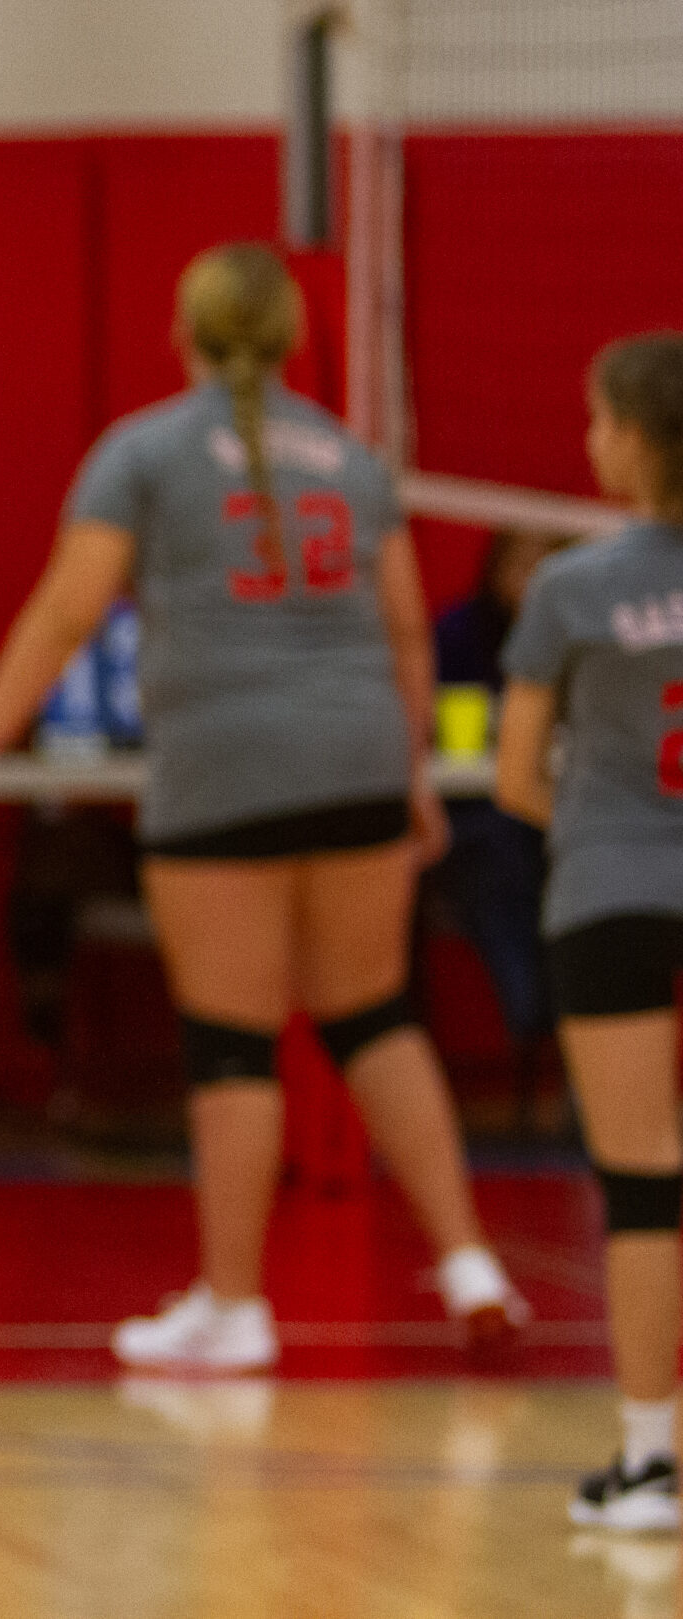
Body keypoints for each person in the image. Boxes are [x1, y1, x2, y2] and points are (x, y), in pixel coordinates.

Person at [0, 243, 523, 1372]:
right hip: (356, 756)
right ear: (291, 337)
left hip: (223, 765)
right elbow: (402, 630)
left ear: (182, 332)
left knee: (232, 1040)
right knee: (373, 1016)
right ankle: (470, 1261)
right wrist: (409, 776)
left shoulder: (140, 452)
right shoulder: (352, 458)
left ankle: (234, 1306)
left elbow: (63, 614)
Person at [495, 332, 683, 1530]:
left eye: (599, 420)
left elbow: (517, 778)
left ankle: (651, 1459)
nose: (588, 440)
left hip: (610, 887)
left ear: (639, 440)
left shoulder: (570, 586)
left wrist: (611, 819)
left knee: (642, 1179)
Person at [431, 527, 575, 1053]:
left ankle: (572, 1013)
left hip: (559, 807)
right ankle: (541, 1011)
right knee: (499, 854)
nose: (532, 581)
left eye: (546, 565)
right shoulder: (461, 629)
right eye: (522, 565)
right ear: (495, 569)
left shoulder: (583, 631)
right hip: (481, 809)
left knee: (574, 859)